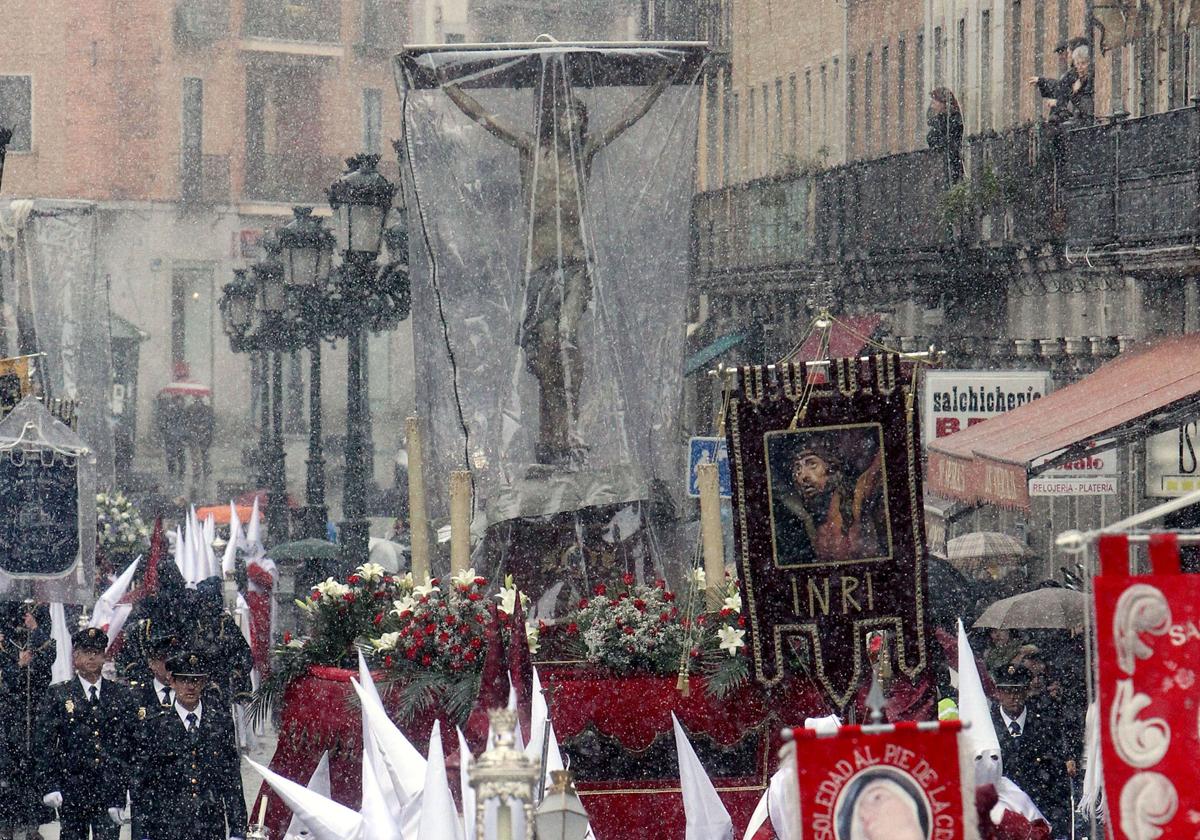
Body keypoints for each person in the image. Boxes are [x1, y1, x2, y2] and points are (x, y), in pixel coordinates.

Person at [443, 58, 677, 466]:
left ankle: (569, 424)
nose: (574, 120)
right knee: (545, 351)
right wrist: (447, 86)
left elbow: (628, 119)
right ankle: (552, 430)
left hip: (572, 265)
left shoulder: (582, 156)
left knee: (567, 338)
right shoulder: (532, 151)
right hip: (539, 269)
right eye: (567, 113)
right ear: (556, 119)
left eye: (579, 115)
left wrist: (661, 84)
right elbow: (484, 117)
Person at [131, 652, 248, 840]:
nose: (190, 686)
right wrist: (143, 832)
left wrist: (238, 829)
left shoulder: (220, 723)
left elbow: (232, 779)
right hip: (168, 826)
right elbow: (144, 784)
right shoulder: (155, 726)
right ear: (172, 682)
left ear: (203, 683)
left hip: (210, 825)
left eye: (196, 680)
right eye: (184, 680)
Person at [35, 627, 136, 840]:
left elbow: (126, 747)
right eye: (85, 651)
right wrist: (49, 785)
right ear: (75, 656)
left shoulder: (120, 695)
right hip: (71, 789)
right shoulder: (59, 694)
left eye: (97, 652)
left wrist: (119, 794)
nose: (92, 657)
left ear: (104, 656)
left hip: (107, 789)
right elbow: (45, 744)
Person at [990, 663, 1076, 836]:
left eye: (1018, 691)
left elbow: (1057, 780)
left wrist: (1057, 823)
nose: (1014, 697)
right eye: (1008, 691)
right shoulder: (987, 726)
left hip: (1040, 813)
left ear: (1026, 692)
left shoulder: (1046, 724)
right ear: (998, 693)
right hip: (1003, 819)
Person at [772, 437, 886, 565]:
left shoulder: (856, 495)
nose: (803, 476)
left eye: (812, 464)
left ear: (831, 467)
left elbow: (880, 464)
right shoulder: (812, 519)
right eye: (798, 469)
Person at [0, 602, 55, 839]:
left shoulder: (40, 639)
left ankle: (33, 823)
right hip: (8, 713)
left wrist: (35, 630)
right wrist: (18, 666)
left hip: (34, 712)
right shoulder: (4, 643)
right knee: (7, 771)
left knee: (34, 766)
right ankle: (7, 823)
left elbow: (47, 663)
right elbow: (5, 678)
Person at [927, 87, 964, 184]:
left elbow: (949, 142)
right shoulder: (940, 121)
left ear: (943, 104)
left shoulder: (951, 120)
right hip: (943, 165)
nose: (932, 106)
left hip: (949, 164)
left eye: (935, 103)